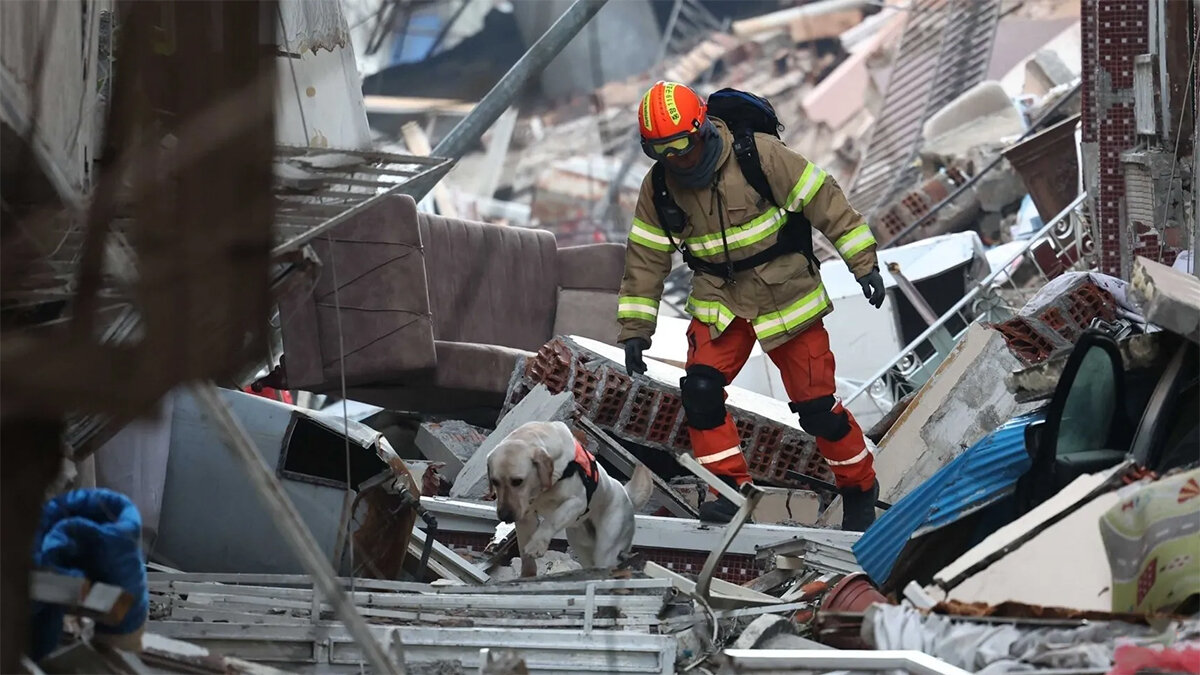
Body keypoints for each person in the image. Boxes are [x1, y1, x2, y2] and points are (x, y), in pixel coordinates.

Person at [617, 81, 886, 531]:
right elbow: (645, 258)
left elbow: (827, 202)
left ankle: (859, 486)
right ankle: (728, 491)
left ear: (701, 128)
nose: (674, 159)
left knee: (818, 409)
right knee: (700, 392)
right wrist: (634, 331)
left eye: (681, 144)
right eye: (658, 151)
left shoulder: (758, 157)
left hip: (786, 295)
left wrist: (864, 264)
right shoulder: (660, 188)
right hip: (722, 301)